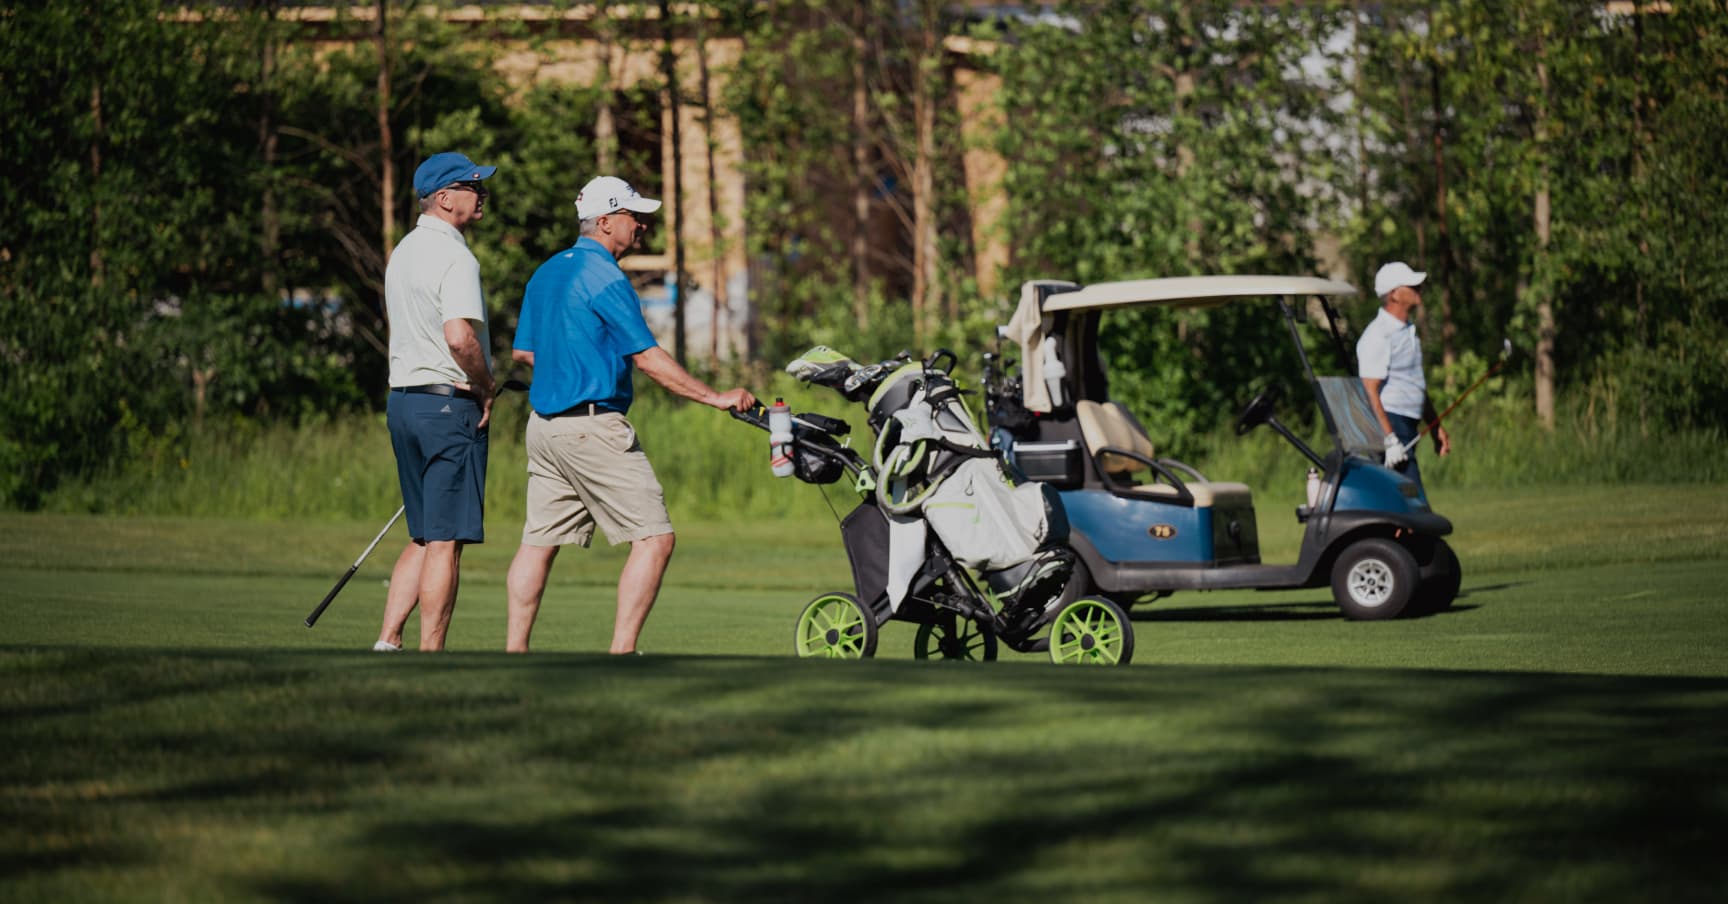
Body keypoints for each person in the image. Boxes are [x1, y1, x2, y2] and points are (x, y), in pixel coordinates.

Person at [504, 175, 756, 654]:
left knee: (538, 542)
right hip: (592, 429)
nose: (642, 226)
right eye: (633, 217)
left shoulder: (547, 271)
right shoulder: (605, 277)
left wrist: (575, 358)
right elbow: (648, 358)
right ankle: (621, 654)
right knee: (655, 539)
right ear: (604, 222)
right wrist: (714, 396)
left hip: (544, 429)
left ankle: (515, 653)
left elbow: (524, 353)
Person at [373, 151, 498, 652]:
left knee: (424, 534)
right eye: (473, 186)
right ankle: (431, 656)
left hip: (403, 402)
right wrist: (485, 384)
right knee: (445, 539)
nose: (482, 194)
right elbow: (458, 337)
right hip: (447, 406)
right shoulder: (455, 254)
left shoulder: (403, 250)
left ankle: (389, 640)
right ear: (444, 198)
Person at [1358, 261, 1452, 495]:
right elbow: (1369, 389)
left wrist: (1434, 425)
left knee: (1400, 506)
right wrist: (1389, 440)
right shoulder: (1378, 334)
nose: (1419, 288)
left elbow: (1414, 384)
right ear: (1395, 294)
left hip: (1407, 425)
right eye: (1411, 285)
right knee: (1413, 506)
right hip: (1391, 426)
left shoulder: (1408, 330)